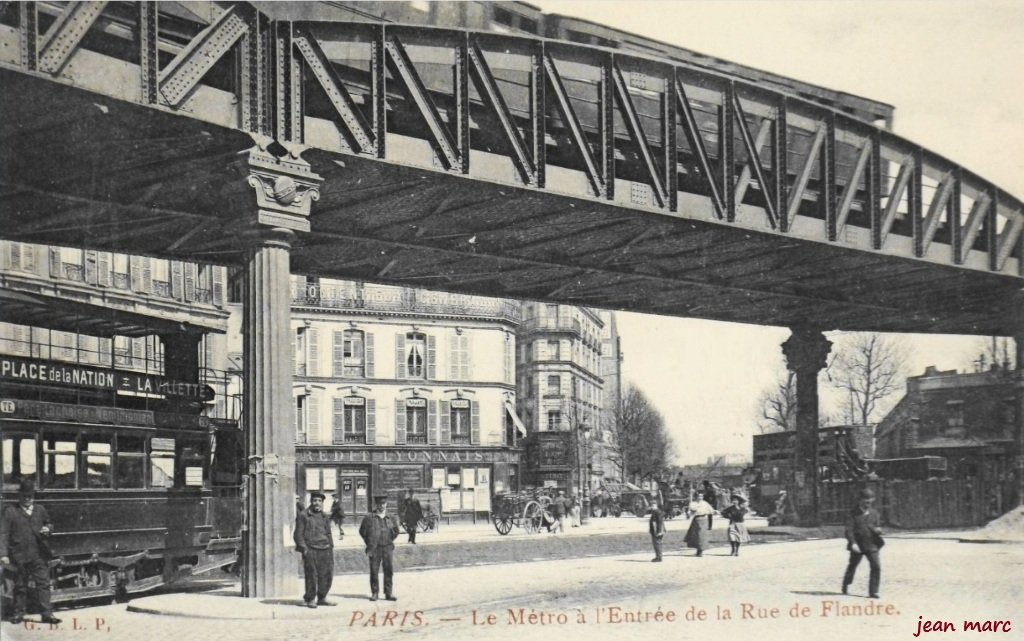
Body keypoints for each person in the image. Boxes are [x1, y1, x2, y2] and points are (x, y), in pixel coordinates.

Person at [0, 478, 61, 624]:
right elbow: (4, 533)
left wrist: (48, 529)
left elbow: (49, 523)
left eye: (30, 496)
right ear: (19, 496)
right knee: (20, 586)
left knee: (44, 584)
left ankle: (47, 614)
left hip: (38, 555)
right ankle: (18, 614)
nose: (27, 499)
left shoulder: (40, 510)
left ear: (33, 496)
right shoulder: (10, 512)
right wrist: (3, 554)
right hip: (19, 555)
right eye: (24, 496)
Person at [293, 491, 335, 608]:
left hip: (325, 549)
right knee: (311, 575)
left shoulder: (325, 516)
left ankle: (322, 597)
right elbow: (298, 534)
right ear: (311, 502)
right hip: (311, 549)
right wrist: (304, 549)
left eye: (319, 501)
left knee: (326, 575)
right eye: (315, 500)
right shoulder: (304, 515)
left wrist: (331, 547)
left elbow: (328, 533)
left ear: (322, 503)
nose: (317, 503)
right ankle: (310, 598)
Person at [843, 488, 884, 598]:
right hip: (858, 546)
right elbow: (849, 530)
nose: (868, 504)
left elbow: (877, 526)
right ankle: (846, 583)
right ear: (860, 501)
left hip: (871, 545)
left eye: (870, 501)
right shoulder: (852, 514)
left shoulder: (875, 513)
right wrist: (853, 543)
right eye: (866, 502)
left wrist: (878, 530)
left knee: (876, 566)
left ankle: (873, 591)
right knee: (853, 566)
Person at [359, 493, 399, 601]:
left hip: (387, 547)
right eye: (380, 504)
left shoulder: (391, 517)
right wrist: (370, 542)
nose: (382, 506)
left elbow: (396, 531)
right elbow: (362, 531)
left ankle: (388, 593)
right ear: (376, 505)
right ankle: (375, 593)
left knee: (388, 570)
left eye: (384, 503)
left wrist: (389, 540)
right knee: (374, 570)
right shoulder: (369, 517)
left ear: (387, 504)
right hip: (374, 548)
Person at [684, 490, 715, 557]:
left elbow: (711, 511)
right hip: (696, 519)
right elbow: (689, 512)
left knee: (701, 535)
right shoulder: (693, 503)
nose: (700, 497)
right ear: (696, 496)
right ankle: (698, 549)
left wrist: (709, 512)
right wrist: (690, 512)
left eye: (701, 496)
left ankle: (701, 550)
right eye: (698, 496)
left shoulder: (705, 503)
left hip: (703, 519)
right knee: (696, 536)